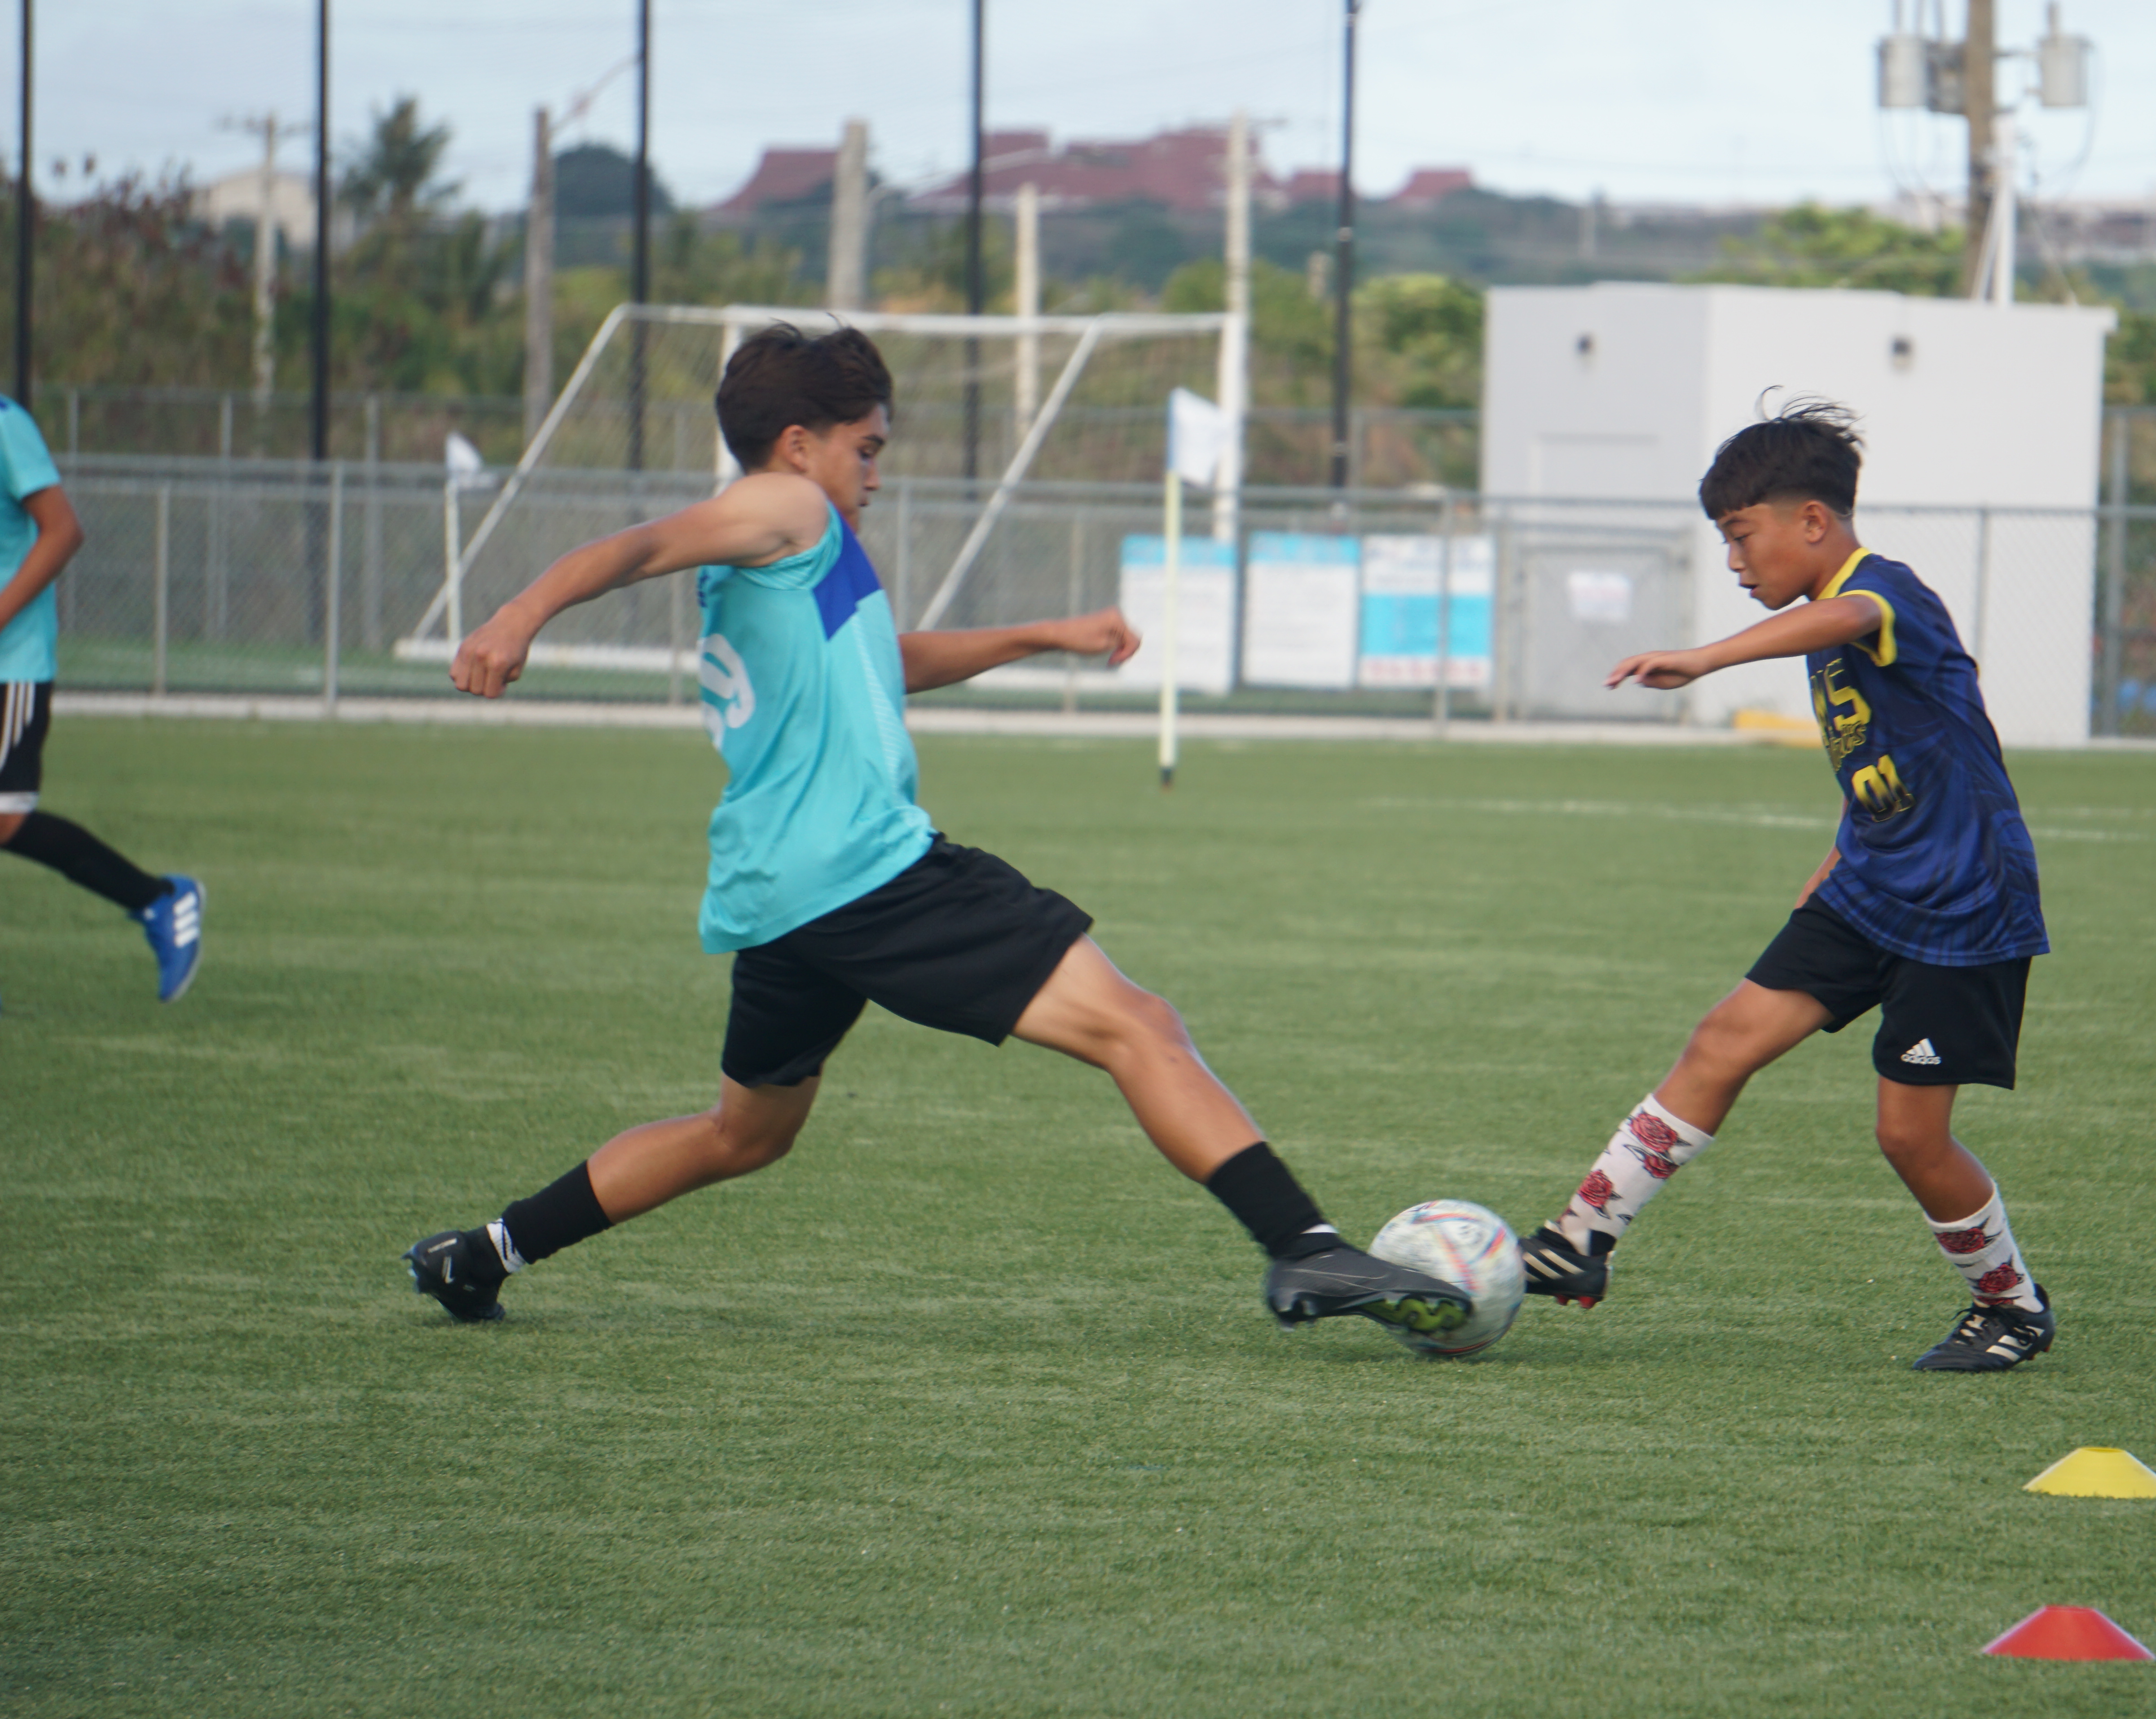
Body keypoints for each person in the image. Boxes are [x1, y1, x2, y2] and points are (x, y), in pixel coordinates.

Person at [402, 324, 1468, 1340]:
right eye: (864, 449)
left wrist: (1042, 633)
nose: (876, 473)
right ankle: (1305, 1243)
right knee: (1139, 1024)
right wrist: (517, 613)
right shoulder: (784, 505)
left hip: (781, 892)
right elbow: (639, 546)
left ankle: (485, 1253)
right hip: (869, 873)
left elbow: (886, 658)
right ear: (796, 445)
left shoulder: (789, 556)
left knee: (745, 1134)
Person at [1516, 402, 2056, 1371]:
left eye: (1739, 534)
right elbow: (1901, 759)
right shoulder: (1821, 623)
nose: (1733, 560)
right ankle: (1580, 1238)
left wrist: (1709, 655)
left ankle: (2012, 1305)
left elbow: (1851, 615)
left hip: (1964, 905)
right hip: (1870, 884)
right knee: (1724, 1036)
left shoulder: (1882, 593)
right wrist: (1843, 848)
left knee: (1909, 1136)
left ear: (1812, 520)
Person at [0, 394, 203, 1002]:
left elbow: (63, 532)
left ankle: (160, 900)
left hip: (11, 663)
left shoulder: (5, 425)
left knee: (4, 816)